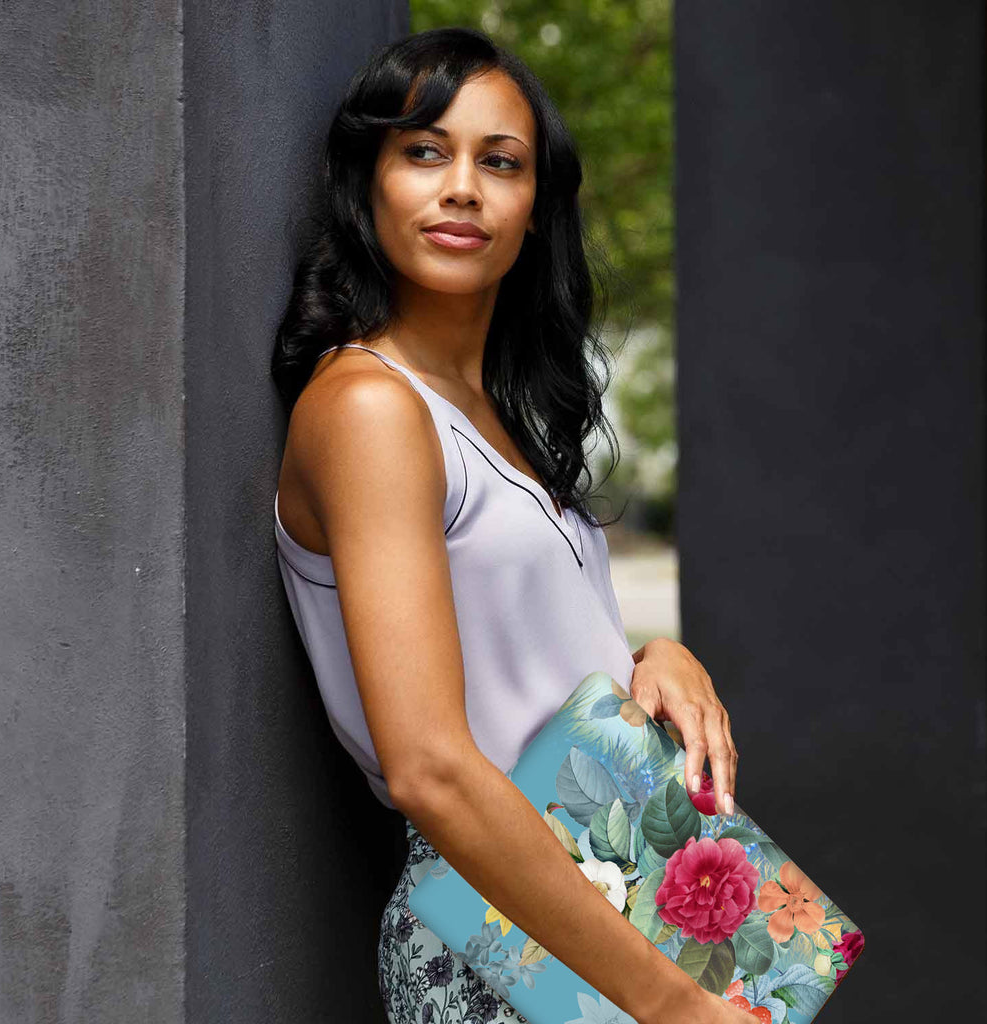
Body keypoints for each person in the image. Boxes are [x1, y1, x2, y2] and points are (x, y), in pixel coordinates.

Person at [271, 26, 746, 1024]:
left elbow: (522, 658)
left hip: (608, 892)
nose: (461, 189)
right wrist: (671, 1004)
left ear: (535, 210)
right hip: (500, 934)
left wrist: (654, 659)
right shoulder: (369, 407)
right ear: (366, 185)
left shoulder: (495, 417)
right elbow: (432, 768)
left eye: (500, 162)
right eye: (424, 151)